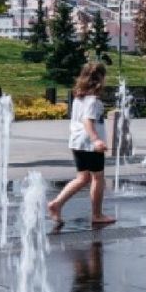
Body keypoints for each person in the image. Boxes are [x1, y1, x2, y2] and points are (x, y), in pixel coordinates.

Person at [49, 63, 116, 227]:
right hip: (89, 144)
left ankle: (57, 204)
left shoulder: (79, 98)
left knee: (83, 178)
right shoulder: (93, 101)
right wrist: (96, 140)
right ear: (100, 79)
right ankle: (97, 215)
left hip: (77, 142)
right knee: (98, 178)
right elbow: (87, 121)